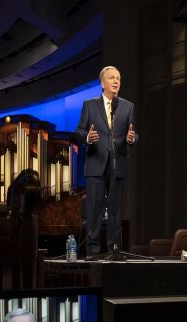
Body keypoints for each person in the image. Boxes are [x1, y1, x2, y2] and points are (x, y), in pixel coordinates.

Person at [77, 66, 138, 259]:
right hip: (96, 164)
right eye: (112, 78)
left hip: (116, 165)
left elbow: (133, 132)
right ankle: (93, 252)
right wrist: (88, 137)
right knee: (94, 211)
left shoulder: (128, 106)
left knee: (115, 211)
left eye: (119, 78)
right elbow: (79, 132)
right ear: (102, 83)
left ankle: (114, 250)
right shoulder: (89, 105)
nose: (116, 81)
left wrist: (132, 138)